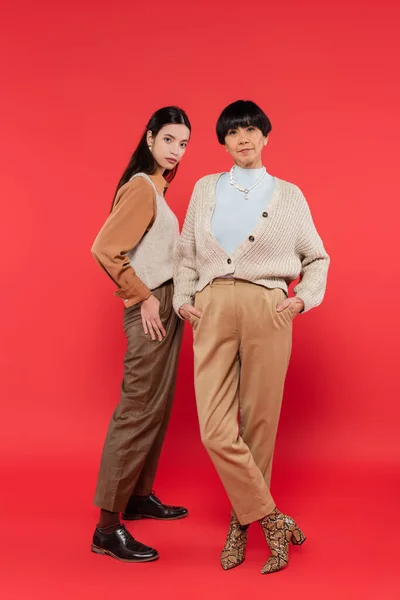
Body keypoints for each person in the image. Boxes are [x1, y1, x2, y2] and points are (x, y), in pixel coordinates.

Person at [173, 100, 330, 574]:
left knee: (260, 422)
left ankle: (239, 527)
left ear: (265, 137)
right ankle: (271, 517)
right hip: (213, 308)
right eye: (233, 132)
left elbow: (317, 258)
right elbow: (184, 256)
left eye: (251, 130)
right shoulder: (204, 189)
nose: (242, 138)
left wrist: (302, 299)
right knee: (215, 429)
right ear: (222, 141)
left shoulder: (289, 195)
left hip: (268, 308)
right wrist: (184, 299)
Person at [90, 106, 191, 563]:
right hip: (151, 307)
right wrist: (144, 295)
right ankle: (108, 528)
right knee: (137, 408)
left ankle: (137, 496)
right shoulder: (142, 188)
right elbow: (106, 248)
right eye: (169, 139)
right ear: (150, 138)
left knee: (158, 405)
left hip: (169, 305)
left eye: (184, 143)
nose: (176, 151)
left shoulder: (160, 190)